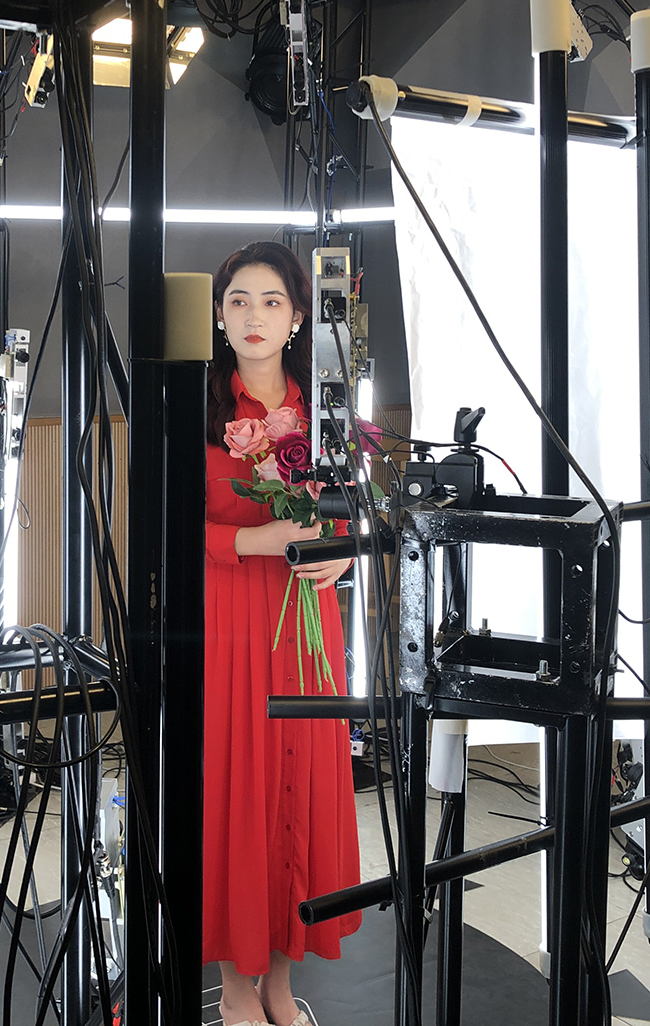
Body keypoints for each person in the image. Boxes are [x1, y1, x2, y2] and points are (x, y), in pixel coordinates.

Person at [204, 242, 361, 1026]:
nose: (254, 316)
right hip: (231, 618)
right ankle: (236, 985)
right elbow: (164, 527)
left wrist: (347, 551)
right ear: (218, 314)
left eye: (271, 301)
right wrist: (252, 540)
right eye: (238, 300)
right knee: (241, 791)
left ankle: (279, 979)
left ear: (299, 316)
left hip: (306, 620)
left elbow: (353, 509)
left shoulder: (327, 403)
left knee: (302, 786)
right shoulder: (198, 406)